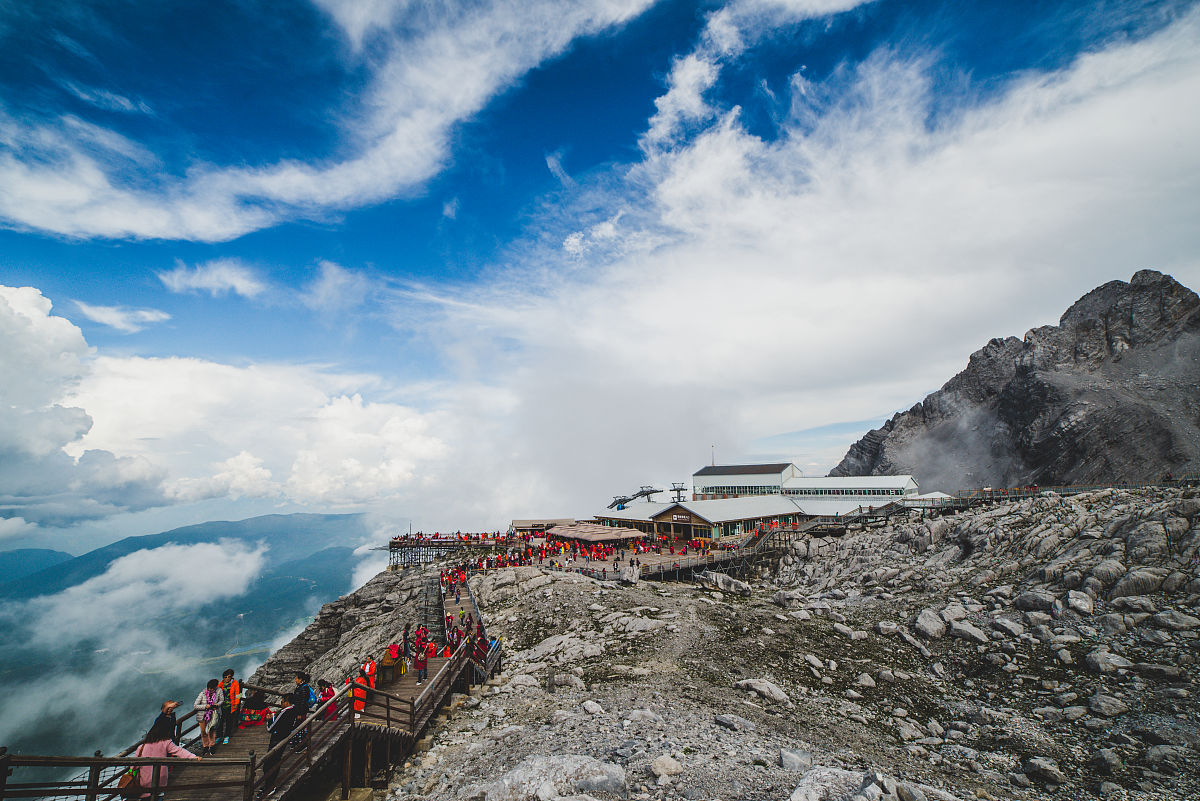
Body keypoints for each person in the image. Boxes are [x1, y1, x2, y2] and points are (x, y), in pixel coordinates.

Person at [135, 714, 199, 798]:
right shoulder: (166, 743)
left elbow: (134, 766)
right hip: (160, 780)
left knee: (146, 796)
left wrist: (131, 772)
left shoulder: (141, 747)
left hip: (144, 782)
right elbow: (179, 751)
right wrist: (193, 757)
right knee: (159, 796)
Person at [259, 692, 301, 799]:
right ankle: (269, 785)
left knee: (269, 763)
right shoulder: (294, 710)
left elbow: (270, 729)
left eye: (282, 702)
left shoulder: (284, 712)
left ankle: (269, 786)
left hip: (277, 739)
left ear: (287, 702)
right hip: (284, 738)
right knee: (275, 762)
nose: (281, 704)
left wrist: (268, 720)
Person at [192, 679, 223, 756]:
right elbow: (195, 705)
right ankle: (205, 746)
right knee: (203, 732)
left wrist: (217, 705)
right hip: (203, 715)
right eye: (209, 688)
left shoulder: (219, 691)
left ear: (215, 687)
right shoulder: (203, 693)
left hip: (213, 714)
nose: (210, 689)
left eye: (212, 688)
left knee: (212, 730)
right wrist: (205, 706)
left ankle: (211, 746)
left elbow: (222, 700)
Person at [217, 668, 240, 745]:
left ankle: (227, 736)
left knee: (229, 721)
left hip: (231, 706)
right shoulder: (221, 684)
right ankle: (219, 736)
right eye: (225, 677)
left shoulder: (235, 683)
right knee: (220, 721)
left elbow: (238, 694)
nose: (227, 678)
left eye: (229, 676)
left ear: (231, 677)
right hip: (222, 706)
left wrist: (237, 703)